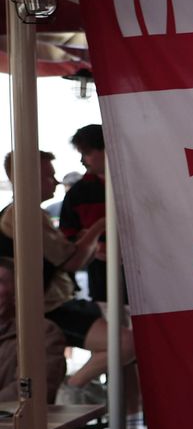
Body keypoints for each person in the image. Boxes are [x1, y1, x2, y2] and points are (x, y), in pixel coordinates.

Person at [0, 150, 131, 404]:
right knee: (126, 343)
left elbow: (65, 256)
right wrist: (98, 228)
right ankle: (72, 388)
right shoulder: (22, 214)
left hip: (53, 304)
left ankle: (80, 385)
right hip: (49, 308)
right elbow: (72, 260)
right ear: (29, 177)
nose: (56, 182)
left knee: (125, 338)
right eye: (49, 176)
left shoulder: (26, 214)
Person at [58, 125, 115, 304]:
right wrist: (98, 248)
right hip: (101, 283)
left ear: (107, 148)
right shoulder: (78, 194)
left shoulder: (139, 185)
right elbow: (68, 239)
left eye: (87, 152)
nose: (82, 160)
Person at [0, 260, 66, 401]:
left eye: (0, 282)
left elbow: (30, 389)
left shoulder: (41, 331)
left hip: (16, 421)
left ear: (17, 293)